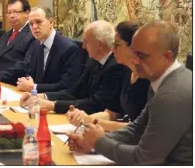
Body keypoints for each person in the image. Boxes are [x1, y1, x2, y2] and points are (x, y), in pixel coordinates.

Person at [67, 21, 192, 165]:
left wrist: (99, 143)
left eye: (142, 55)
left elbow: (144, 158)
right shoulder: (159, 79)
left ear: (167, 57)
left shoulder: (171, 95)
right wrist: (91, 141)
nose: (134, 60)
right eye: (133, 52)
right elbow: (137, 129)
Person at [20, 20, 128, 114]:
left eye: (86, 42)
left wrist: (52, 105)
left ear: (100, 44)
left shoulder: (116, 67)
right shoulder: (92, 61)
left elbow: (94, 104)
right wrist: (41, 96)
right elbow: (75, 92)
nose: (83, 46)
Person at [67, 21, 150, 132]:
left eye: (117, 45)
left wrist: (92, 121)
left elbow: (138, 128)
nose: (113, 49)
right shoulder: (126, 72)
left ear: (132, 47)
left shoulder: (148, 79)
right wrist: (83, 117)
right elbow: (111, 113)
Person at [17, 6, 82, 93]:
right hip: (36, 99)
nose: (34, 27)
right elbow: (30, 74)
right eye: (31, 24)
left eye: (39, 22)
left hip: (56, 101)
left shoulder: (69, 48)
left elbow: (66, 85)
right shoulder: (36, 44)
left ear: (51, 22)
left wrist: (34, 87)